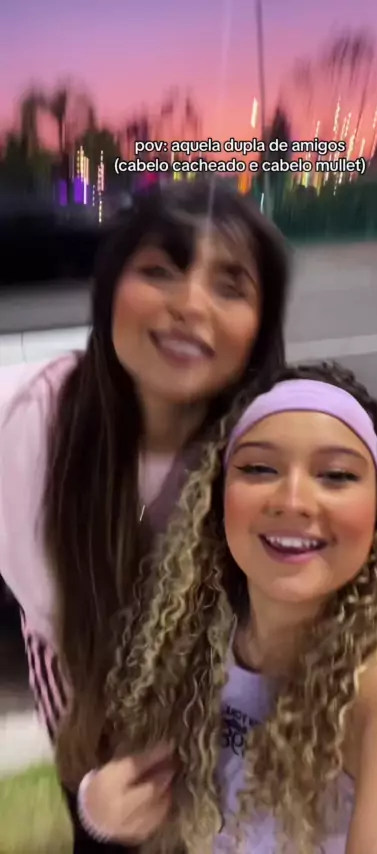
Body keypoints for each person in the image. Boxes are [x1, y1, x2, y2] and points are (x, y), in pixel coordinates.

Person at [80, 362, 377, 853]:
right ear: (217, 496)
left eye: (336, 475)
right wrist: (99, 809)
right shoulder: (199, 639)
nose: (293, 501)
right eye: (259, 469)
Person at [0, 179, 290, 852]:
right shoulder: (27, 421)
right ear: (109, 290)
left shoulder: (282, 450)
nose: (190, 305)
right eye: (160, 271)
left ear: (262, 325)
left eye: (230, 286)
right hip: (78, 669)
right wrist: (94, 810)